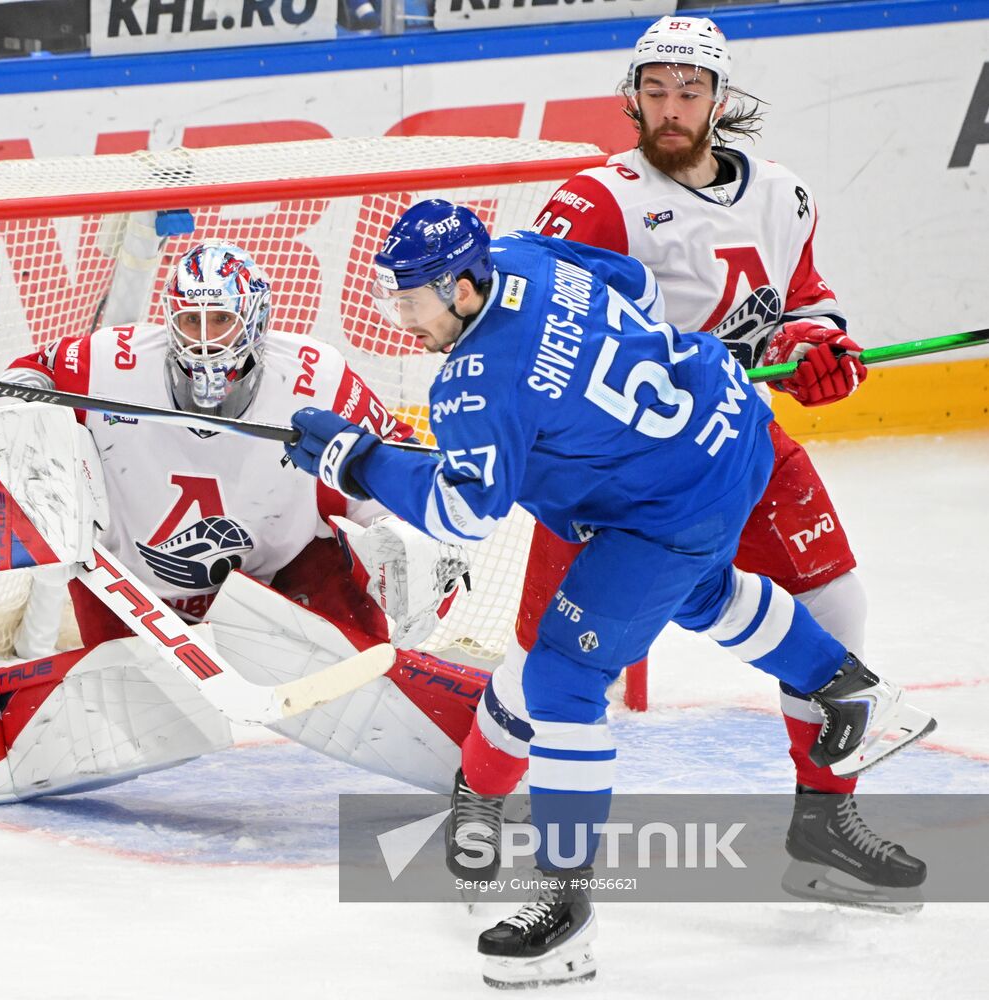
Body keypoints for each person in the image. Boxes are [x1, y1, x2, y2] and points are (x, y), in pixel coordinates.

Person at [282, 199, 935, 987]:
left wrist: (356, 461)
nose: (400, 320)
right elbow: (632, 284)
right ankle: (853, 692)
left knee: (561, 680)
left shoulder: (476, 384)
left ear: (461, 288)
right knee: (703, 595)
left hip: (666, 506)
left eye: (411, 300)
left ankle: (565, 913)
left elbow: (462, 513)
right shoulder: (524, 254)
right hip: (731, 426)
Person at [443, 14, 922, 909]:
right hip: (614, 468)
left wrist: (817, 346)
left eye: (689, 91)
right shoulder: (596, 200)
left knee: (835, 604)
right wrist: (684, 354)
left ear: (720, 98)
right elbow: (539, 317)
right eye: (655, 91)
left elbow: (804, 298)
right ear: (633, 97)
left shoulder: (785, 195)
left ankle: (822, 824)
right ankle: (481, 796)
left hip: (739, 445)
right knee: (546, 665)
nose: (671, 109)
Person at [0, 239, 478, 804]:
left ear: (256, 319)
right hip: (127, 584)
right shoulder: (109, 361)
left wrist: (413, 547)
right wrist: (18, 415)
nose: (206, 339)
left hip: (278, 572)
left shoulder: (317, 376)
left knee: (356, 673)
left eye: (221, 318)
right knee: (145, 709)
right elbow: (27, 375)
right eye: (191, 319)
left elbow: (395, 469)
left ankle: (484, 747)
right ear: (170, 318)